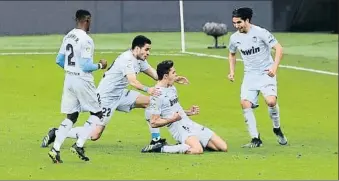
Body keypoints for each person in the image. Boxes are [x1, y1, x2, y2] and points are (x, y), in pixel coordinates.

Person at [41, 35, 189, 151]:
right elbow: (133, 81)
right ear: (137, 48)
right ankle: (58, 132)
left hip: (121, 94)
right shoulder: (127, 59)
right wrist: (148, 89)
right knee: (94, 135)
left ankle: (155, 140)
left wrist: (174, 78)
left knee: (151, 102)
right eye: (146, 50)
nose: (148, 53)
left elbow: (158, 76)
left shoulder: (140, 60)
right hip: (106, 98)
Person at [46, 9, 107, 163]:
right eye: (90, 21)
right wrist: (100, 65)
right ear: (86, 20)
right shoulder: (86, 40)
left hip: (69, 80)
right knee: (98, 114)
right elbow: (86, 66)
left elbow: (59, 60)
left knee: (71, 116)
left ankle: (56, 149)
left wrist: (71, 71)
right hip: (82, 80)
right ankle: (78, 145)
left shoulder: (69, 36)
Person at [227, 7, 287, 148]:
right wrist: (232, 71)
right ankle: (255, 139)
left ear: (247, 20)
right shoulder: (234, 38)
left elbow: (278, 48)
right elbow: (232, 53)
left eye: (239, 22)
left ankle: (276, 128)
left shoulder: (260, 33)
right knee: (245, 103)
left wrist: (274, 68)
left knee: (271, 102)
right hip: (250, 75)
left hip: (266, 72)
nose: (236, 26)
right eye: (234, 23)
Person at [142, 60, 227, 154]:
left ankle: (188, 144)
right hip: (179, 129)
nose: (176, 74)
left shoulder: (172, 88)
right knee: (198, 150)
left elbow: (175, 109)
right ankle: (161, 148)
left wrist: (189, 112)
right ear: (166, 76)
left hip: (189, 124)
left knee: (223, 147)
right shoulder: (157, 95)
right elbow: (154, 122)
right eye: (173, 72)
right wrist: (171, 120)